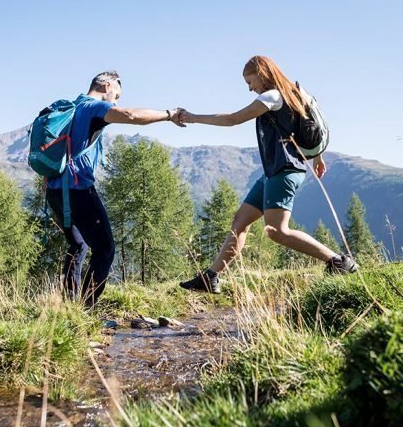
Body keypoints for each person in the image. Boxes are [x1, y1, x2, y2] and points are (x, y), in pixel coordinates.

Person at [177, 55, 357, 293]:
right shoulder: (295, 92)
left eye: (250, 82)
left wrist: (193, 117)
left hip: (284, 170)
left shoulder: (272, 96)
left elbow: (233, 119)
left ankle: (338, 262)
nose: (249, 88)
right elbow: (311, 128)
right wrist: (317, 156)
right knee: (240, 221)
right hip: (275, 170)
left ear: (262, 74)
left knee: (276, 231)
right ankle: (210, 277)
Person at [46, 70, 182, 306]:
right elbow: (130, 115)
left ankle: (71, 308)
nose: (116, 101)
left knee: (77, 245)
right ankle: (86, 309)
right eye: (116, 95)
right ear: (107, 85)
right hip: (78, 191)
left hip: (55, 190)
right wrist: (169, 115)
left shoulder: (70, 108)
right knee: (105, 249)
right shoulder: (92, 107)